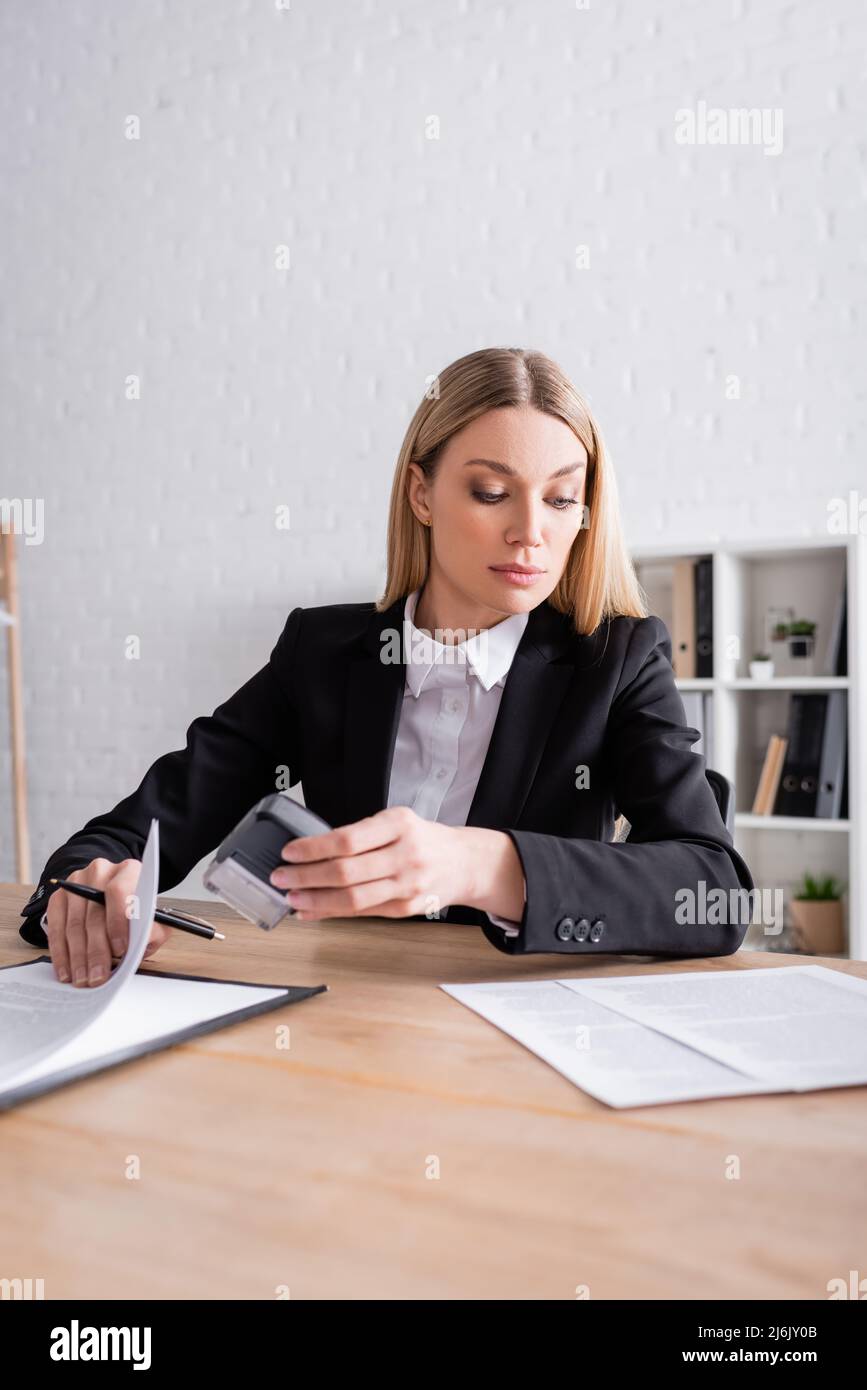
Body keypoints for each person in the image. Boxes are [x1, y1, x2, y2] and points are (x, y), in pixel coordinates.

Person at [20, 346, 754, 986]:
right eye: (491, 492)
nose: (531, 531)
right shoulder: (321, 652)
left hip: (525, 1042)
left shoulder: (616, 658)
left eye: (562, 499)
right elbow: (135, 831)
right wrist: (81, 890)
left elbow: (713, 889)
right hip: (345, 1019)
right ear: (421, 494)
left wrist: (477, 865)